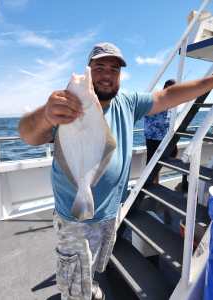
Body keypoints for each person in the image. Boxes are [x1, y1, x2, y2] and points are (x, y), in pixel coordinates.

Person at [19, 42, 213, 300]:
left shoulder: (127, 102)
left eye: (114, 68)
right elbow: (27, 134)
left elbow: (165, 97)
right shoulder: (68, 107)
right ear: (88, 71)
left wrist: (210, 81)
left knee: (96, 265)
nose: (107, 73)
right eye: (99, 67)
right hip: (76, 220)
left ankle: (91, 288)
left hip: (111, 212)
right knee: (75, 282)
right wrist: (45, 115)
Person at [144, 79, 177, 185]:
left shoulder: (172, 101)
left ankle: (154, 182)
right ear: (165, 87)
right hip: (152, 137)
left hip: (165, 136)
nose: (173, 90)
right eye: (170, 87)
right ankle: (152, 183)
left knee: (173, 154)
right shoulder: (156, 98)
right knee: (152, 163)